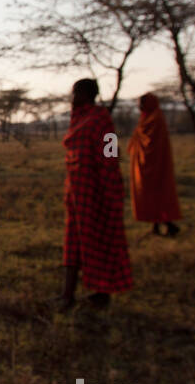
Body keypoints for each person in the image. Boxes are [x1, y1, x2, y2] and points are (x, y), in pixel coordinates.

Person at [58, 78, 133, 310]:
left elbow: (110, 154)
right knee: (73, 243)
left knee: (99, 242)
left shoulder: (101, 120)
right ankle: (67, 296)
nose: (72, 98)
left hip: (97, 192)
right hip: (77, 193)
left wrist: (110, 187)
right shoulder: (77, 118)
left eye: (75, 93)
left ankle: (102, 294)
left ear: (86, 94)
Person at [129, 93, 181, 237]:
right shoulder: (146, 118)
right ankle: (156, 227)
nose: (139, 107)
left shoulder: (156, 119)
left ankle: (169, 225)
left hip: (157, 165)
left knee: (157, 195)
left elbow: (152, 144)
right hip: (145, 166)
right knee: (150, 196)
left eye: (141, 103)